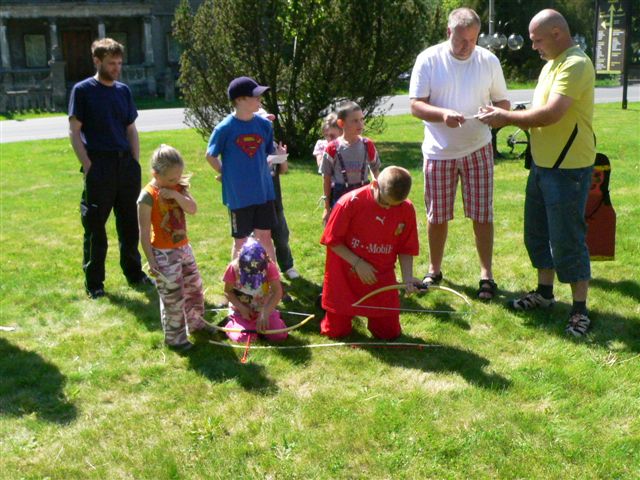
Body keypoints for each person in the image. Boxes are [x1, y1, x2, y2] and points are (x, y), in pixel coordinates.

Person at [477, 9, 595, 336]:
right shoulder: (551, 65)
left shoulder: (576, 64)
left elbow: (551, 114)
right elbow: (537, 111)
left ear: (557, 33)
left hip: (568, 169)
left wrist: (505, 118)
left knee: (568, 240)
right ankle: (544, 294)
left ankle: (580, 310)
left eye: (537, 40)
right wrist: (512, 112)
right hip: (543, 166)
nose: (533, 47)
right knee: (537, 235)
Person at [409, 7, 510, 300]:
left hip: (478, 148)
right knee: (437, 215)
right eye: (461, 40)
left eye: (473, 40)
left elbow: (504, 103)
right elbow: (416, 105)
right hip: (438, 151)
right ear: (448, 32)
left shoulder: (488, 60)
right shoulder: (429, 59)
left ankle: (486, 275)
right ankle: (434, 269)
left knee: (482, 214)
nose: (468, 46)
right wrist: (443, 114)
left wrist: (495, 114)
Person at [69, 37, 152, 299]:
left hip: (125, 166)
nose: (116, 68)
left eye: (119, 63)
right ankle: (95, 284)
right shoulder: (83, 90)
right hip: (99, 166)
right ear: (97, 61)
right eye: (111, 63)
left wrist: (135, 162)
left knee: (129, 224)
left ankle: (134, 274)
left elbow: (131, 129)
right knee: (95, 226)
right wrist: (88, 164)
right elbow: (74, 131)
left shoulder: (123, 91)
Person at [320, 166, 420, 339]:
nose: (388, 209)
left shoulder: (406, 208)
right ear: (374, 185)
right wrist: (358, 263)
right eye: (385, 203)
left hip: (380, 278)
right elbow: (332, 240)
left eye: (395, 205)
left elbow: (406, 247)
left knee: (389, 334)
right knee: (336, 332)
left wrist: (408, 278)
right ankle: (330, 308)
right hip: (345, 274)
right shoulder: (349, 202)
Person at [137, 145, 211, 352]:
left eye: (178, 176)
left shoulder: (178, 187)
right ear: (155, 174)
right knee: (173, 298)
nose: (176, 180)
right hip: (163, 254)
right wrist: (151, 260)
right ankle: (176, 339)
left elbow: (193, 209)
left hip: (184, 248)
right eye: (171, 178)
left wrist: (175, 194)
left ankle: (197, 324)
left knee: (194, 287)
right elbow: (144, 232)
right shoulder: (147, 196)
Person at [205, 76, 286, 262]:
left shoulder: (264, 125)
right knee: (240, 241)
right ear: (240, 100)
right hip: (239, 196)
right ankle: (237, 278)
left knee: (265, 237)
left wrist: (280, 155)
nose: (260, 100)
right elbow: (210, 155)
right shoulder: (225, 128)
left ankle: (272, 277)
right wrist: (225, 174)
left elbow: (268, 153)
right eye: (255, 96)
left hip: (264, 192)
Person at [256, 108, 300, 280]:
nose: (268, 126)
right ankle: (262, 270)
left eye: (270, 123)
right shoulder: (252, 147)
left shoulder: (273, 145)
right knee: (260, 239)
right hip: (258, 202)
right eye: (265, 123)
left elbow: (282, 170)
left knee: (282, 237)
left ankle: (287, 266)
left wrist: (282, 157)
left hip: (275, 201)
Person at [320, 101, 381, 225]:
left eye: (361, 119)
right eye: (355, 121)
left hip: (364, 193)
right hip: (340, 195)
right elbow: (326, 178)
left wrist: (379, 194)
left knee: (363, 228)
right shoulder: (332, 148)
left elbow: (375, 170)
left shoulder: (367, 145)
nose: (360, 124)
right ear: (341, 123)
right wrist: (326, 208)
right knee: (341, 228)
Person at [222, 239, 288, 343]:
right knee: (243, 339)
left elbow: (277, 291)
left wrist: (265, 312)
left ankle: (270, 321)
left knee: (279, 335)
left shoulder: (269, 266)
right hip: (241, 310)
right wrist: (242, 308)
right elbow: (227, 291)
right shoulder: (233, 268)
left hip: (264, 307)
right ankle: (231, 323)